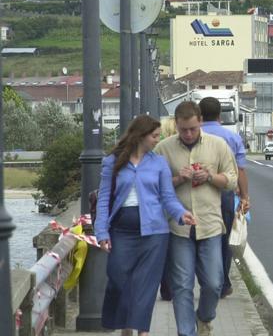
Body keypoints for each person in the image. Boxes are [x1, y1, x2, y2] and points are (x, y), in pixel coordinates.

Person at [95, 115, 197, 336]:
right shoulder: (112, 161)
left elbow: (167, 197)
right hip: (121, 230)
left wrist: (181, 214)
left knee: (146, 287)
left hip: (154, 233)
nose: (157, 140)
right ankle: (125, 325)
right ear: (140, 136)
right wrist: (101, 231)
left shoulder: (158, 162)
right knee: (118, 279)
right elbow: (104, 199)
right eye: (154, 136)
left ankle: (142, 331)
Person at [155, 101, 238, 336]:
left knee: (214, 283)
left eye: (192, 128)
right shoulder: (163, 149)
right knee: (182, 285)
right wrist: (178, 179)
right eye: (183, 130)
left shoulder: (218, 146)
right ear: (176, 126)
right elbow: (154, 187)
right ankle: (185, 332)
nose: (188, 134)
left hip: (210, 224)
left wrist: (210, 176)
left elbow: (231, 180)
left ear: (200, 121)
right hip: (178, 228)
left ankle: (204, 317)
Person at [197, 97, 250, 299]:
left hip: (198, 194)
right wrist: (245, 196)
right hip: (225, 194)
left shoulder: (193, 134)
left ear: (200, 116)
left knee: (201, 237)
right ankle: (223, 281)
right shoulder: (232, 137)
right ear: (220, 115)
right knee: (224, 238)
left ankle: (206, 280)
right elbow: (241, 170)